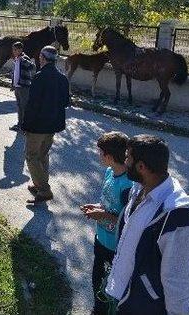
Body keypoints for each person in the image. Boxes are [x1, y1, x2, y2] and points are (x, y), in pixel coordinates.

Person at [104, 135, 189, 315]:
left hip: (145, 306)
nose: (124, 161)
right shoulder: (139, 186)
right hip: (121, 292)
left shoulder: (178, 214)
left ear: (141, 167)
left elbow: (179, 278)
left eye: (128, 158)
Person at [80, 132, 133, 315]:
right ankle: (98, 310)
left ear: (109, 156)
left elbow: (128, 220)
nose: (98, 155)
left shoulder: (128, 186)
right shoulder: (110, 172)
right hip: (101, 238)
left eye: (100, 152)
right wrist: (97, 207)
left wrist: (102, 215)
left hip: (115, 246)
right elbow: (108, 203)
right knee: (97, 279)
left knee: (111, 286)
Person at [22, 45, 70, 204]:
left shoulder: (39, 76)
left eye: (40, 57)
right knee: (43, 155)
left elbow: (32, 104)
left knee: (31, 156)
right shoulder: (63, 78)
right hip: (52, 124)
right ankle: (40, 184)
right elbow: (65, 102)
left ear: (42, 58)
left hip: (37, 125)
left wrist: (25, 124)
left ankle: (43, 190)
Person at [9, 41, 35, 132]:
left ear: (20, 50)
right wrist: (13, 84)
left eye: (15, 50)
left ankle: (26, 126)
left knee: (24, 107)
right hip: (17, 86)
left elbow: (32, 67)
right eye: (13, 49)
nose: (14, 51)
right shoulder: (16, 59)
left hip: (24, 87)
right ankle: (20, 124)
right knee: (20, 106)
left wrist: (22, 59)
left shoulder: (24, 58)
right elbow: (15, 72)